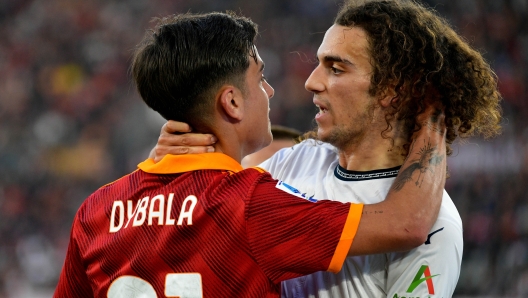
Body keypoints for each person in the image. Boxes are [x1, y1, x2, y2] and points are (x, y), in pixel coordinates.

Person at [53, 11, 448, 298]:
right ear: (232, 103)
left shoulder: (96, 211)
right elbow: (408, 223)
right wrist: (434, 113)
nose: (271, 91)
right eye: (260, 78)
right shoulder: (249, 206)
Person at [151, 1, 502, 297]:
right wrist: (172, 169)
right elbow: (205, 224)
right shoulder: (293, 161)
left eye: (335, 68)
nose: (311, 81)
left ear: (392, 89)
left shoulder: (435, 226)